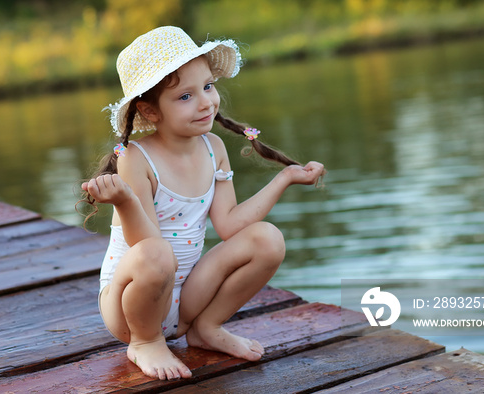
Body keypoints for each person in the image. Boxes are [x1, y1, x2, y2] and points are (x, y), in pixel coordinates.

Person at [80, 26, 325, 381]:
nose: (206, 101)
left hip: (187, 296)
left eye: (208, 86)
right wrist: (124, 200)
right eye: (185, 96)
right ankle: (146, 342)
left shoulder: (214, 149)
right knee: (158, 252)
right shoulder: (136, 158)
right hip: (129, 305)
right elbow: (143, 244)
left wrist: (284, 178)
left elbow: (229, 225)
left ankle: (206, 327)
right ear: (150, 111)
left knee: (267, 239)